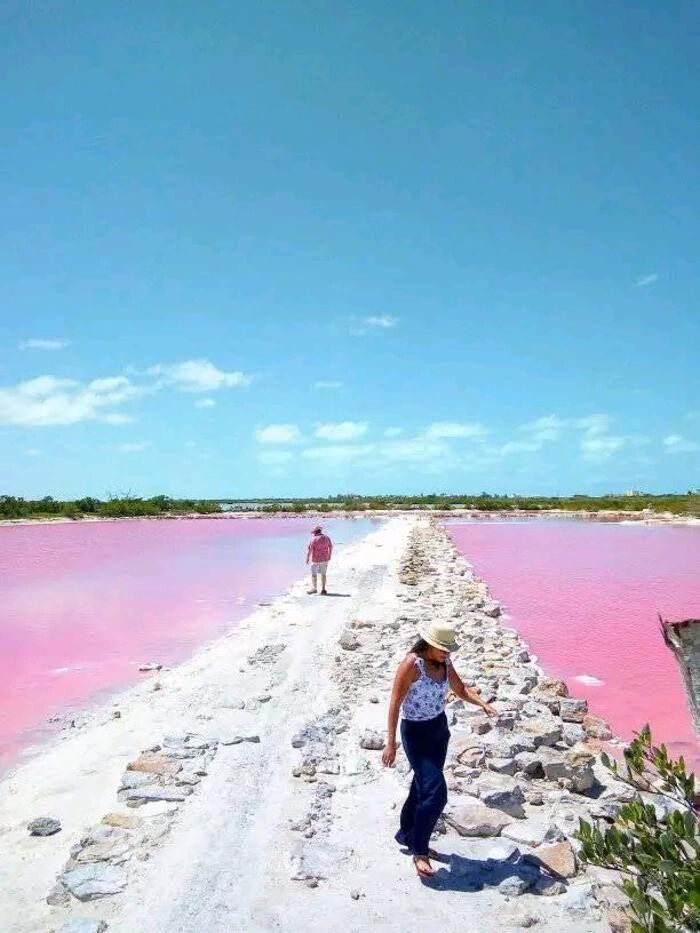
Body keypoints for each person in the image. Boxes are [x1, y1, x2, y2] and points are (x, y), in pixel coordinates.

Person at [382, 621, 497, 878]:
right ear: (429, 644)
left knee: (421, 786)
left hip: (438, 731)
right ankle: (420, 851)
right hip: (415, 734)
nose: (447, 653)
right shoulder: (412, 664)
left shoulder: (445, 663)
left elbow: (460, 689)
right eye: (443, 648)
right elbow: (394, 704)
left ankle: (407, 834)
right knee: (436, 793)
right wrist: (391, 744)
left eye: (449, 649)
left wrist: (483, 704)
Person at [306, 524, 333, 595]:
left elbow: (310, 550)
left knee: (314, 574)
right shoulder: (327, 537)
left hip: (315, 559)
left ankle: (314, 588)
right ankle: (323, 589)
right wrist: (329, 555)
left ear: (315, 532)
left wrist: (307, 558)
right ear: (320, 531)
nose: (313, 534)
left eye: (313, 533)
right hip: (325, 558)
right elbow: (330, 547)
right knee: (323, 574)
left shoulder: (313, 539)